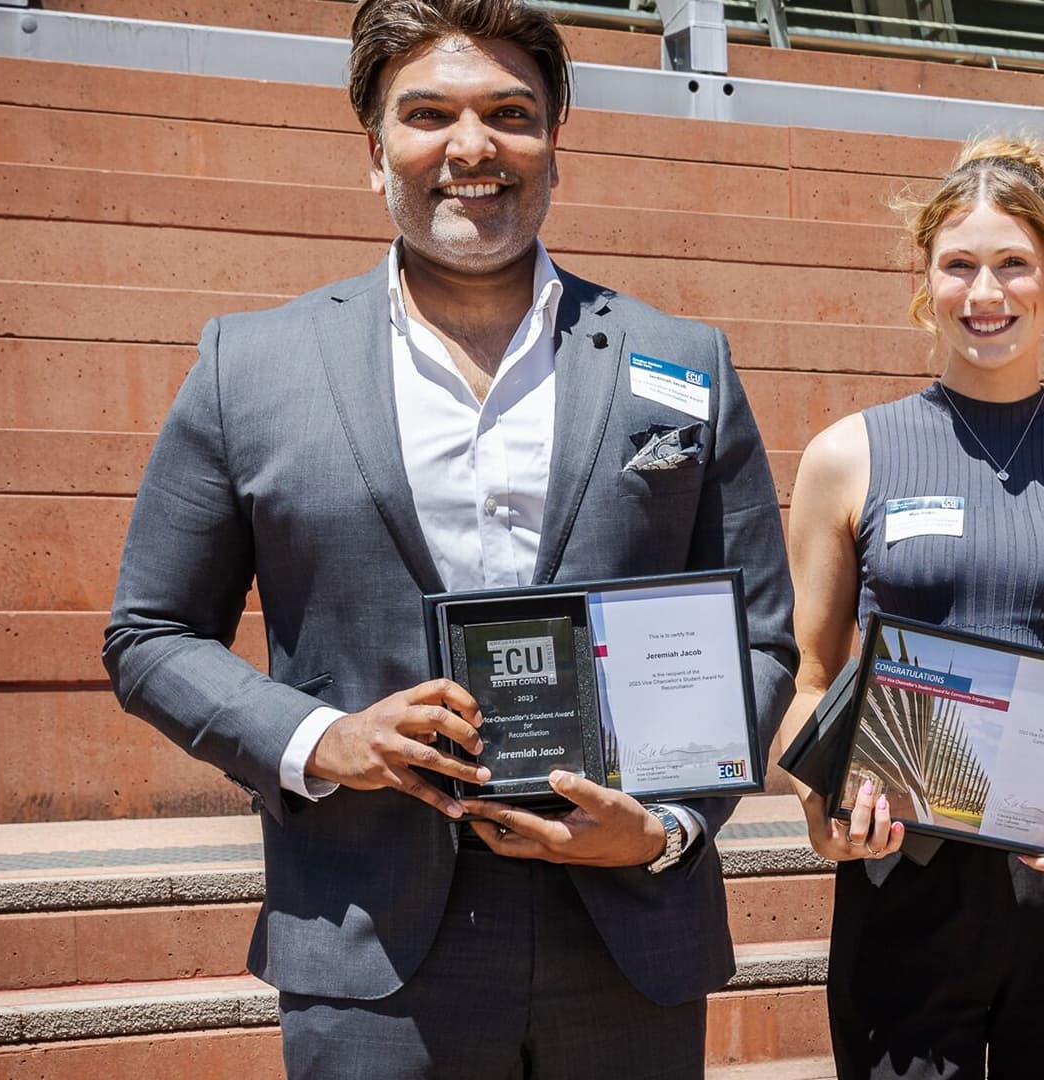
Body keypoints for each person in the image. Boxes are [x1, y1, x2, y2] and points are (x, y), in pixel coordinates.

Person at [101, 1, 795, 1076]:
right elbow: (150, 634)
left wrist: (665, 826)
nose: (472, 147)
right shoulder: (253, 367)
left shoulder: (683, 363)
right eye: (428, 114)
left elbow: (759, 638)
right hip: (369, 942)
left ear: (556, 142)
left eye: (510, 113)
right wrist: (324, 741)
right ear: (373, 150)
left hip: (624, 934)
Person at [775, 135, 1044, 1080]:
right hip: (904, 872)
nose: (985, 293)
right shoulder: (847, 456)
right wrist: (818, 802)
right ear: (926, 280)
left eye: (1012, 265)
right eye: (959, 265)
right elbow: (811, 680)